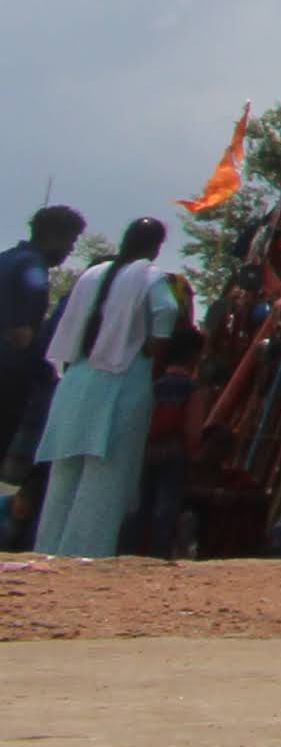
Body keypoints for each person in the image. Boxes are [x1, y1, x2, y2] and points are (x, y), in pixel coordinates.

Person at [30, 219, 189, 558]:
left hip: (76, 379)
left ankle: (49, 548)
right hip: (122, 378)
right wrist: (154, 347)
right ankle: (86, 552)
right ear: (156, 246)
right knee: (107, 475)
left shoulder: (92, 274)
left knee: (64, 472)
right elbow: (167, 310)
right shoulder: (150, 276)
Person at [0, 205, 77, 551]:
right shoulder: (34, 270)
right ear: (53, 236)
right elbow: (23, 335)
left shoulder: (7, 258)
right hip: (8, 375)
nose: (70, 250)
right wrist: (45, 369)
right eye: (70, 241)